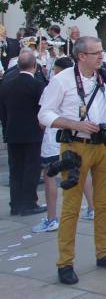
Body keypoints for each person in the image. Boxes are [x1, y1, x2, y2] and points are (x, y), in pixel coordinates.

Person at [38, 36, 106, 285]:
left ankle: (103, 252)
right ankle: (65, 262)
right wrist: (74, 123)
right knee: (71, 207)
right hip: (75, 146)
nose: (101, 56)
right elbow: (44, 113)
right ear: (81, 56)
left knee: (103, 204)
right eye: (96, 53)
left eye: (101, 51)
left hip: (104, 147)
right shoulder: (61, 80)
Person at [0, 52, 48, 216]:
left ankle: (15, 204)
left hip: (12, 132)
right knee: (31, 168)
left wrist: (6, 128)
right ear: (35, 66)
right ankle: (28, 203)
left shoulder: (6, 85)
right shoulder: (37, 85)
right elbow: (43, 111)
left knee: (16, 169)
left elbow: (3, 112)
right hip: (32, 134)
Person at [33, 57, 75, 233]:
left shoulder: (53, 85)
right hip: (72, 136)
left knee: (50, 175)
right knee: (77, 173)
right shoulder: (77, 84)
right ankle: (91, 208)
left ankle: (52, 218)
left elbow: (43, 118)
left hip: (54, 138)